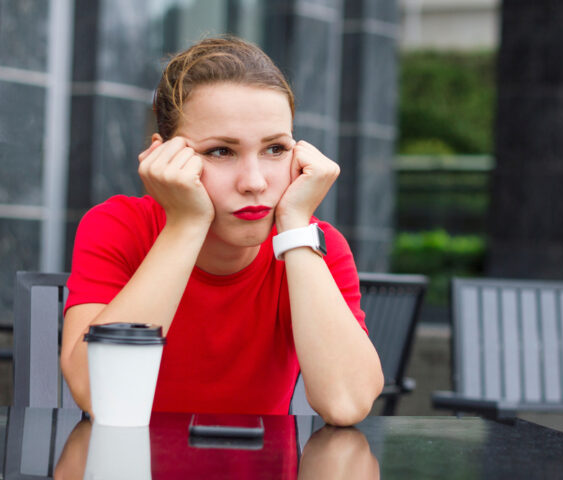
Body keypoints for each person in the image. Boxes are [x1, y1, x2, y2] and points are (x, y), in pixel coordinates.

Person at [59, 36, 384, 426]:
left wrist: (296, 227)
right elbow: (100, 394)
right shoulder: (118, 227)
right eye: (221, 151)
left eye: (275, 149)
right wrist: (185, 224)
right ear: (164, 156)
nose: (255, 182)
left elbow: (347, 404)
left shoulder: (314, 244)